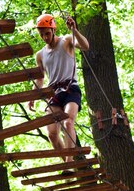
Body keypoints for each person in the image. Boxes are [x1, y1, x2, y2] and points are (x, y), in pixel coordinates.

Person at [28, 14, 90, 162]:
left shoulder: (66, 41)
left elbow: (85, 46)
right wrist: (32, 97)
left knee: (68, 122)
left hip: (70, 89)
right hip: (54, 94)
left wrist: (74, 30)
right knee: (52, 134)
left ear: (53, 30)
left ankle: (69, 161)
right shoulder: (40, 55)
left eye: (47, 33)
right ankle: (66, 164)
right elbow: (40, 78)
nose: (44, 37)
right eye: (41, 34)